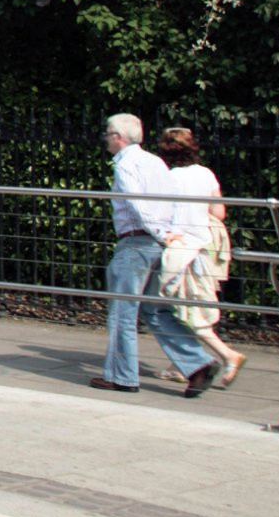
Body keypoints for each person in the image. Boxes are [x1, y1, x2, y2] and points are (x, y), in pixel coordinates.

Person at [96, 112, 217, 396]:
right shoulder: (156, 162)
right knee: (155, 310)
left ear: (118, 137)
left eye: (108, 135)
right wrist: (168, 235)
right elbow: (172, 201)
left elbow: (138, 204)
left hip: (136, 243)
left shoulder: (125, 165)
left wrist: (160, 232)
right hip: (159, 245)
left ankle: (122, 377)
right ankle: (198, 365)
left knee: (122, 313)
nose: (106, 140)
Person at [155, 125, 244, 388]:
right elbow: (219, 213)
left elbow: (164, 216)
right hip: (207, 246)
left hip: (184, 249)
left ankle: (228, 355)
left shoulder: (169, 178)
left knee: (183, 309)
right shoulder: (206, 174)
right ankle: (182, 365)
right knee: (188, 306)